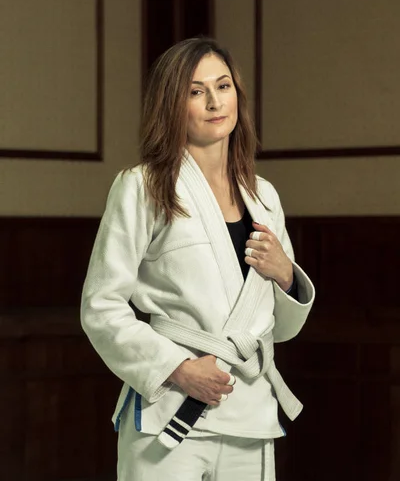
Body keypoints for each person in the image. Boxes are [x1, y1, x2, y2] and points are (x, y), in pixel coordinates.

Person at [80, 37, 315, 481]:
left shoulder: (263, 197)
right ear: (173, 104)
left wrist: (286, 276)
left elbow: (280, 330)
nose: (213, 101)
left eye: (223, 86)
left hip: (249, 414)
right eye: (195, 91)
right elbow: (100, 307)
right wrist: (179, 369)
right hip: (170, 412)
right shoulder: (142, 187)